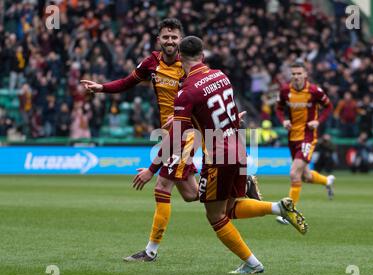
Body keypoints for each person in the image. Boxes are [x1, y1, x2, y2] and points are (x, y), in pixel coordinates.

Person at [80, 18, 262, 262]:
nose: (170, 41)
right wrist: (101, 88)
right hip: (171, 131)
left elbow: (207, 94)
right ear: (158, 39)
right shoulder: (151, 63)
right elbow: (128, 82)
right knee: (190, 194)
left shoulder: (188, 66)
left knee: (161, 185)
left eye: (174, 37)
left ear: (180, 40)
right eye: (165, 37)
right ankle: (237, 187)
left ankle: (150, 251)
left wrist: (152, 168)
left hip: (186, 132)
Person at [133, 36, 308, 274]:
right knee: (227, 206)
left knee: (215, 216)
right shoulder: (221, 76)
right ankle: (278, 207)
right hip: (238, 148)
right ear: (203, 56)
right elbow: (227, 114)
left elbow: (177, 136)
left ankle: (253, 264)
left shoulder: (186, 92)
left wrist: (151, 169)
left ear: (181, 58)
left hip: (218, 155)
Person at [276, 61, 335, 209]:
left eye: (299, 73)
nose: (296, 76)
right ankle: (327, 181)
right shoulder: (285, 91)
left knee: (294, 174)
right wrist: (284, 121)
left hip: (308, 136)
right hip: (292, 136)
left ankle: (290, 211)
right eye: (293, 74)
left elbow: (328, 107)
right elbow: (278, 108)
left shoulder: (314, 91)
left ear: (305, 74)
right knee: (305, 176)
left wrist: (318, 121)